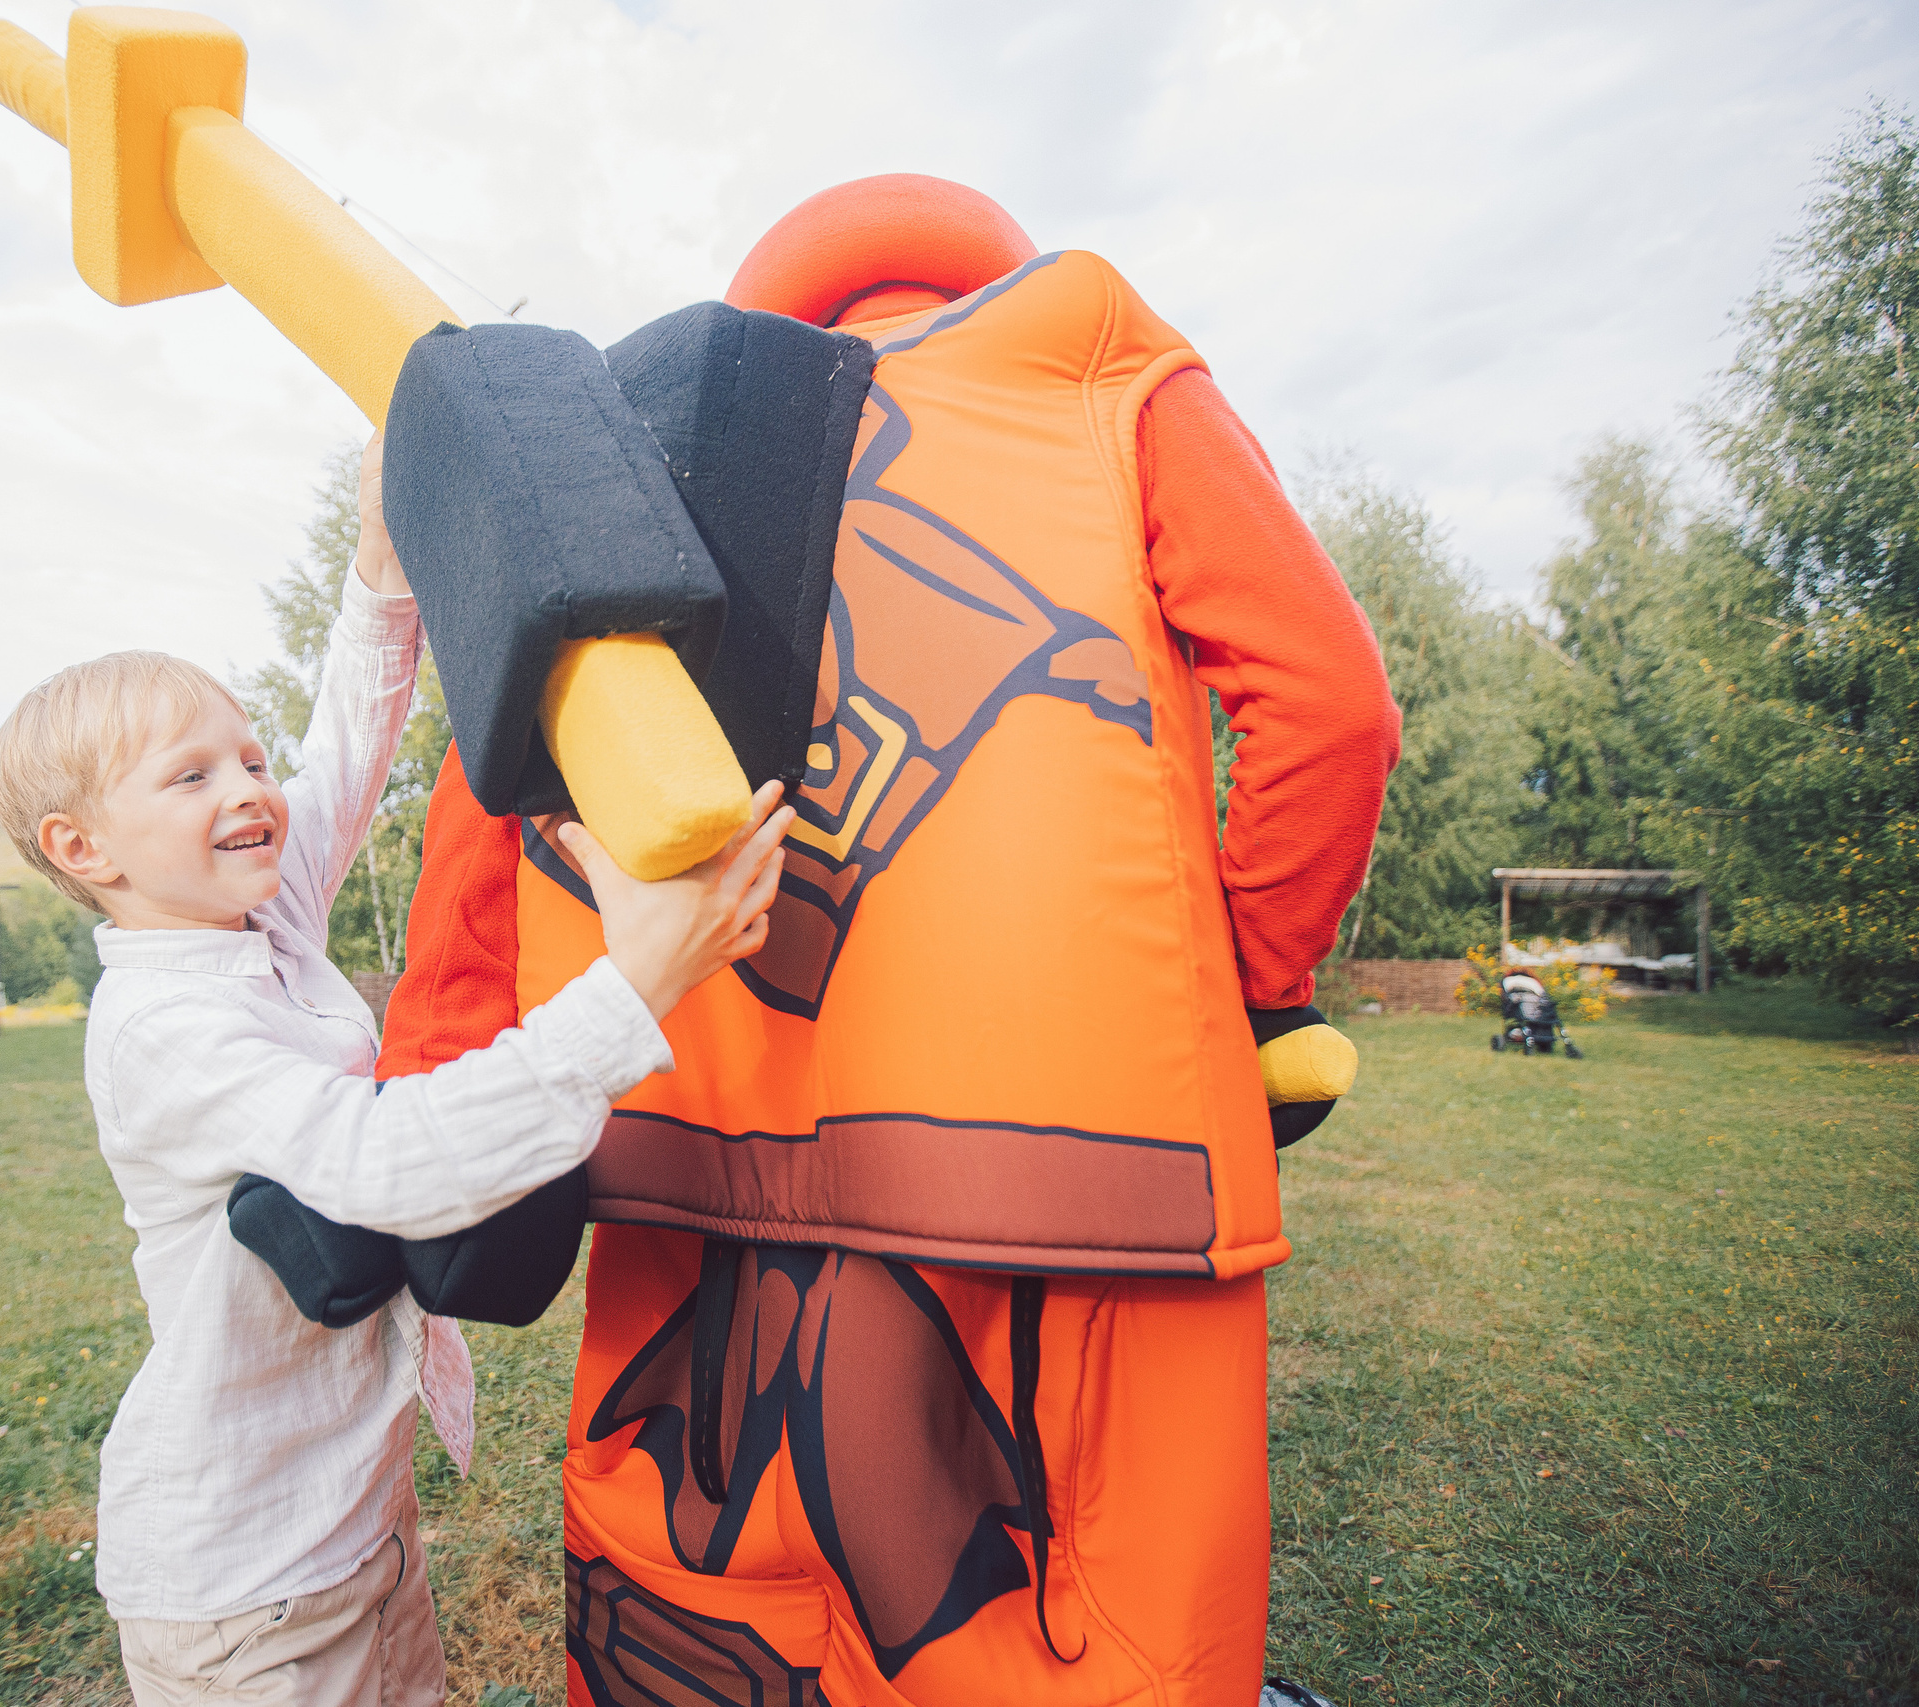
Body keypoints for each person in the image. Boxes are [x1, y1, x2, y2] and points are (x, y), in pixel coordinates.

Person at [378, 177, 1401, 1707]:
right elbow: (1329, 704)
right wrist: (1245, 997)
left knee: (703, 1596)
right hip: (1079, 1155)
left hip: (694, 1155)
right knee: (1079, 1623)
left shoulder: (621, 437)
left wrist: (437, 1079)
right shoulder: (1093, 357)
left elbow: (485, 808)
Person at [0, 433, 794, 1707]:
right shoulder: (163, 1029)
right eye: (190, 775)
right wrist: (638, 979)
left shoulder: (253, 921)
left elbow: (347, 751)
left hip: (352, 1531)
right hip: (242, 1586)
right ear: (84, 846)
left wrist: (380, 557)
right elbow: (389, 1166)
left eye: (245, 757)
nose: (250, 787)